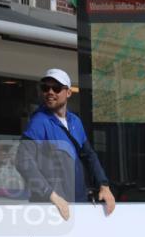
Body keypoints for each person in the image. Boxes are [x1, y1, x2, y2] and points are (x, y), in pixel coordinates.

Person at [16, 69, 114, 220]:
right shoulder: (39, 122)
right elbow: (23, 161)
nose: (50, 92)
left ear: (68, 93)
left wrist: (104, 185)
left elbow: (89, 155)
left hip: (78, 202)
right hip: (53, 209)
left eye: (56, 88)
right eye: (45, 88)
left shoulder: (75, 121)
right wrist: (51, 196)